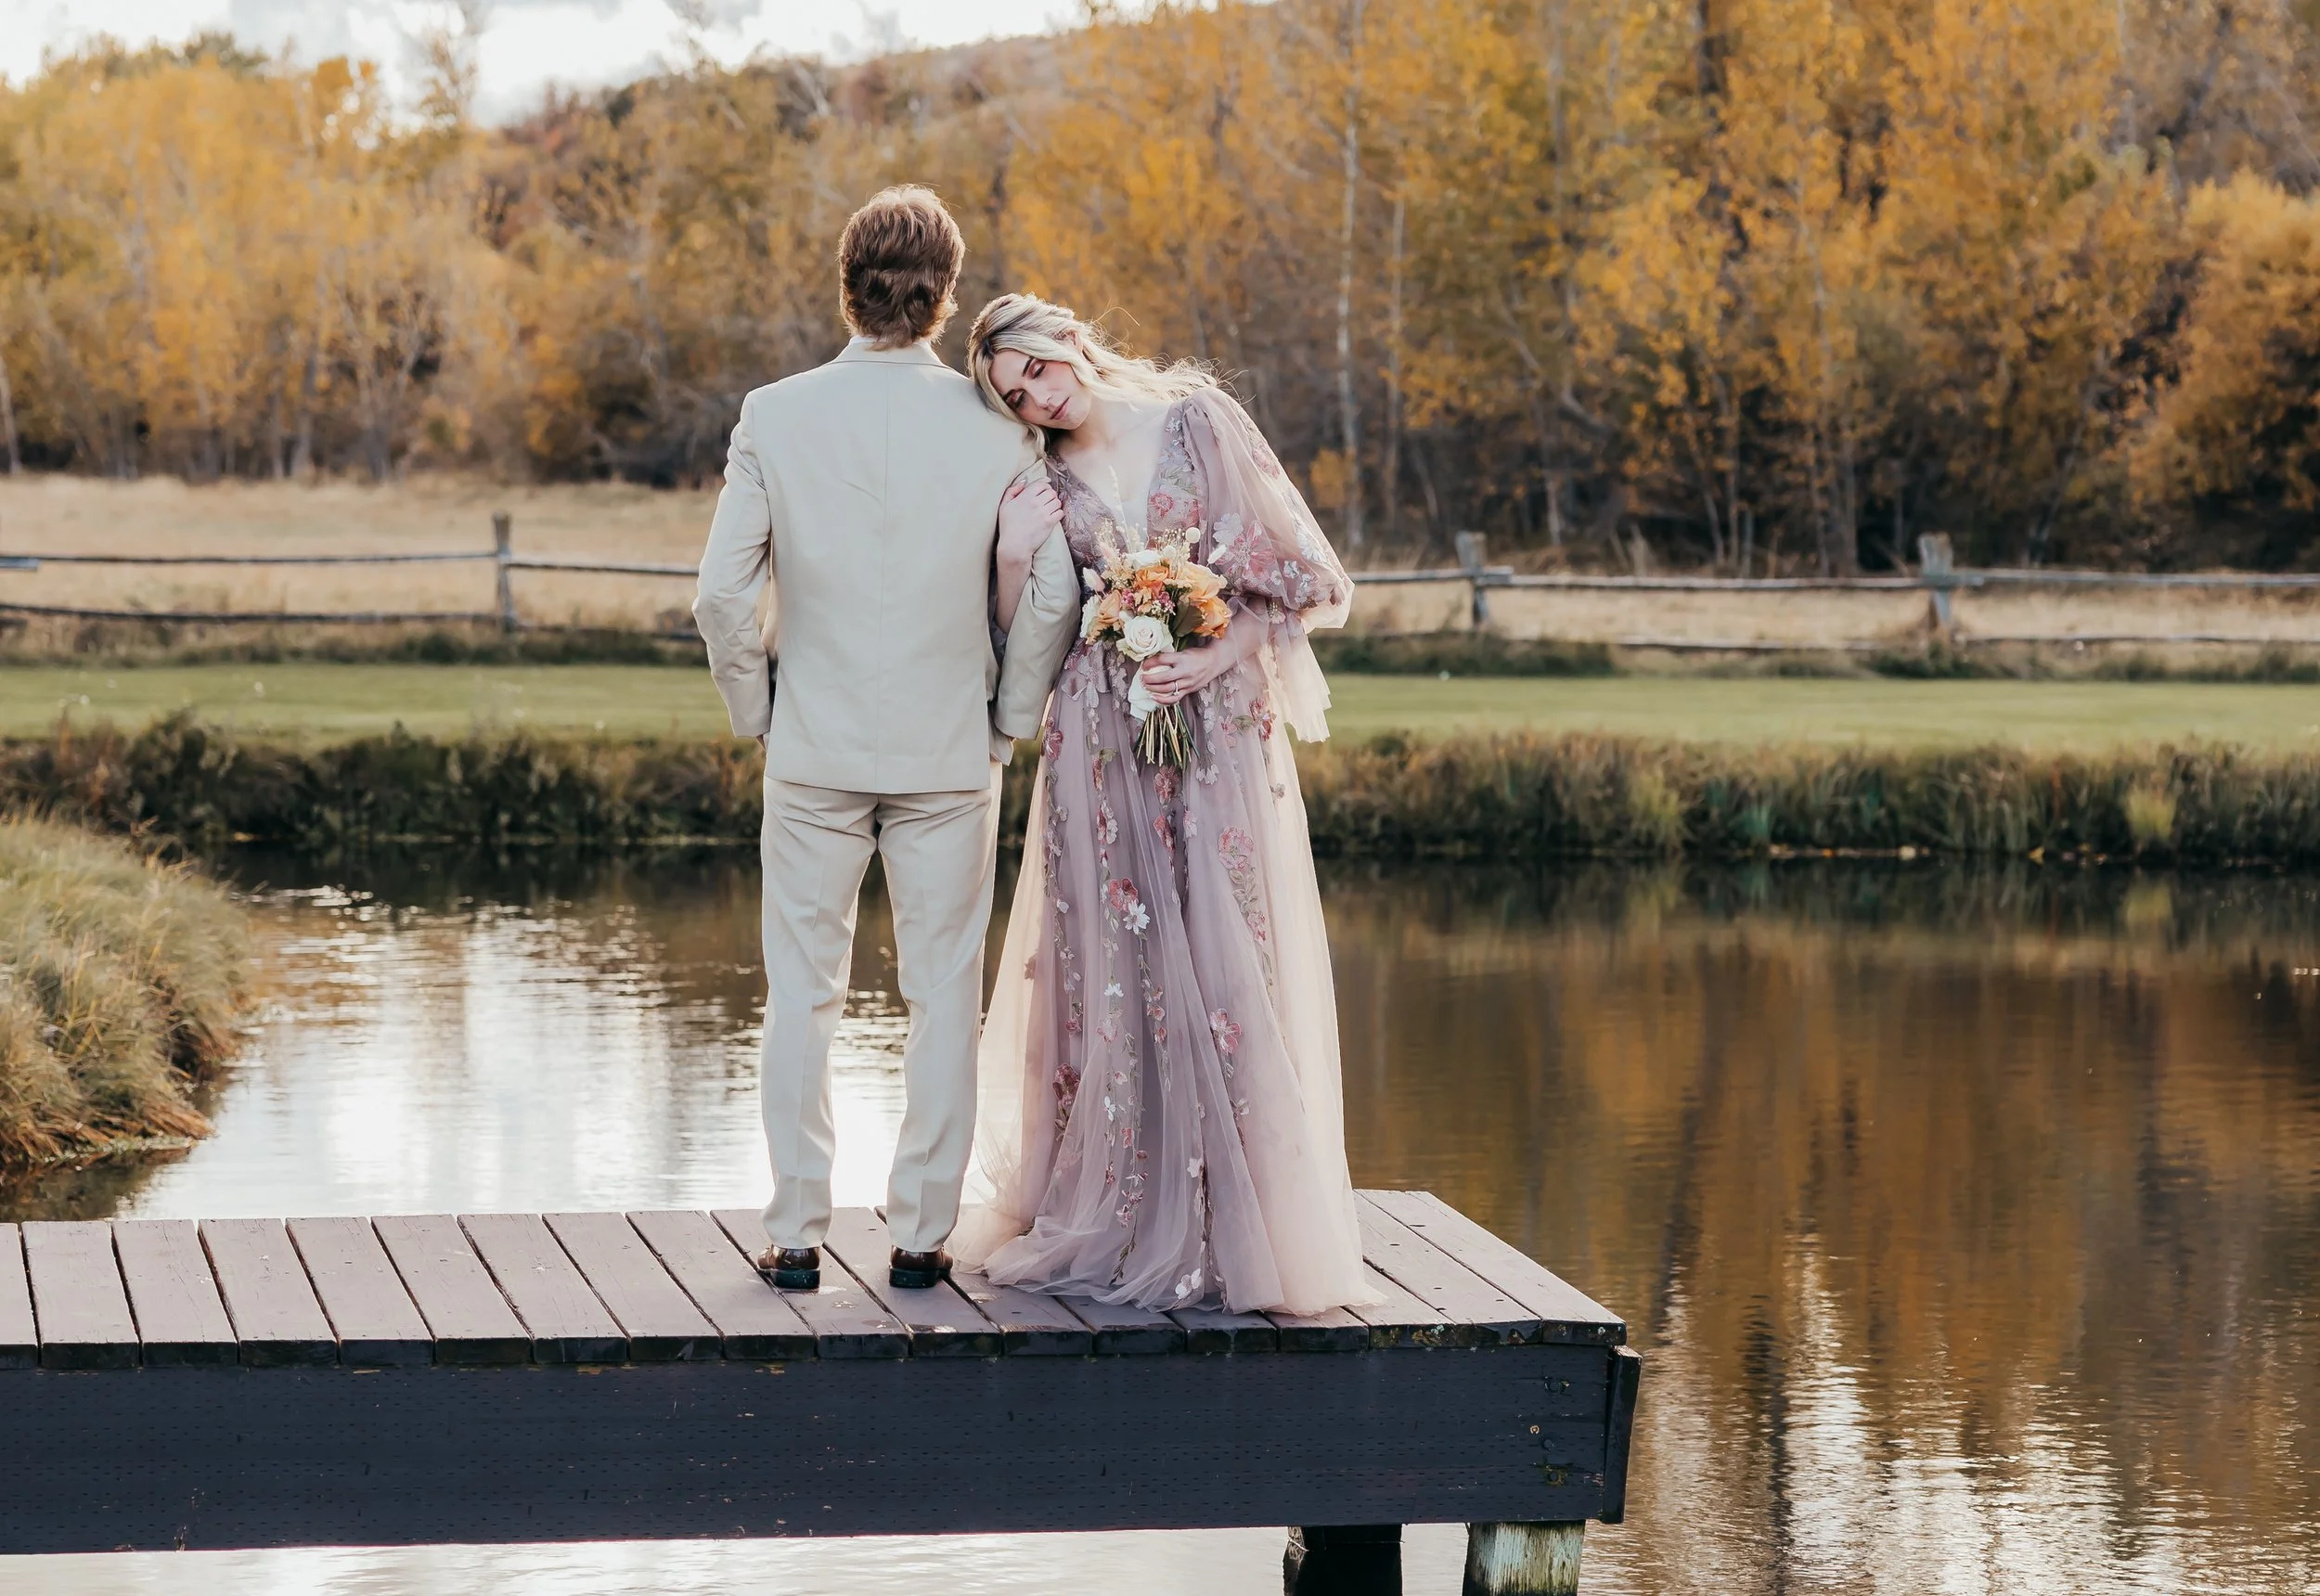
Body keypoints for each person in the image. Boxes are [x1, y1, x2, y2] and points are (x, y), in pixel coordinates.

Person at [953, 293, 1374, 1315]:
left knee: (1229, 949)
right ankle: (1127, 1202)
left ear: (1065, 341)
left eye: (1038, 373)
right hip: (1100, 736)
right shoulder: (1038, 479)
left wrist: (1214, 650)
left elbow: (1308, 579)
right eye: (1017, 398)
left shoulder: (1198, 420)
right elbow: (1028, 636)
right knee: (1117, 959)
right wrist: (1014, 555)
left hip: (1216, 729)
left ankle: (1244, 1215)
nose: (1040, 400)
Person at [692, 190, 1080, 1292]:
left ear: (846, 282)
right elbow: (1049, 587)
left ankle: (797, 1234)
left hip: (812, 750)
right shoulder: (1001, 427)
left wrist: (758, 712)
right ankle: (919, 1236)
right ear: (946, 291)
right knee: (943, 995)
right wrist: (1008, 719)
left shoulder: (775, 412)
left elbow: (722, 596)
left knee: (801, 997)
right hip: (949, 753)